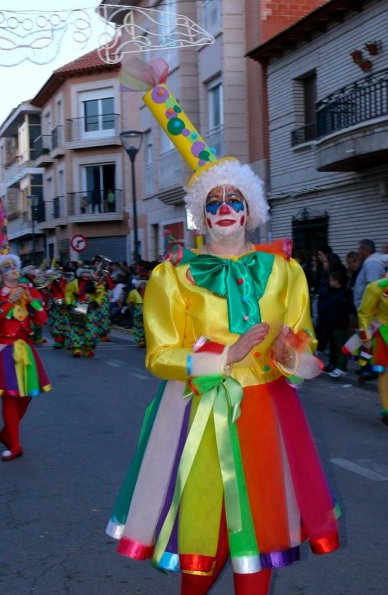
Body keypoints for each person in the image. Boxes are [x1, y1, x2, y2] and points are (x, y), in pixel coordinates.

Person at [106, 160, 340, 595]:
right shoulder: (172, 275)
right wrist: (226, 355)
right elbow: (159, 355)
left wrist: (292, 353)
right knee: (202, 532)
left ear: (250, 211)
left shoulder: (285, 271)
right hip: (196, 413)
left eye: (235, 199)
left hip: (267, 413)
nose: (225, 207)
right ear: (202, 214)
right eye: (214, 201)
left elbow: (303, 337)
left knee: (259, 531)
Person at [0, 254, 51, 461]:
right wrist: (9, 301)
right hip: (3, 349)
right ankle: (15, 446)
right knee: (10, 396)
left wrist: (33, 300)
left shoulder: (29, 291)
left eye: (14, 266)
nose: (12, 270)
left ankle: (7, 433)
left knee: (26, 395)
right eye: (7, 268)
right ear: (0, 274)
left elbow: (42, 320)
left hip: (25, 349)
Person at [357, 274, 388, 425]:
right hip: (384, 335)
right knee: (384, 372)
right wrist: (366, 338)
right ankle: (386, 409)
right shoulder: (377, 287)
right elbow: (364, 313)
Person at [64, 266, 104, 357]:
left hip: (91, 308)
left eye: (87, 273)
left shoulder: (95, 283)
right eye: (84, 273)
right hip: (79, 306)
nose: (86, 275)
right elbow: (68, 294)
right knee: (77, 328)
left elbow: (101, 293)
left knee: (91, 329)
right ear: (80, 274)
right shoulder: (74, 283)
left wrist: (96, 302)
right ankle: (76, 348)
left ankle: (88, 348)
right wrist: (69, 303)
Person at [325, 269, 351, 378]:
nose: (329, 282)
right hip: (333, 323)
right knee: (335, 346)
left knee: (341, 346)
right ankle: (336, 365)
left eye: (331, 280)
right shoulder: (333, 292)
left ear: (337, 281)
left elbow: (343, 310)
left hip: (340, 324)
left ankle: (341, 367)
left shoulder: (344, 293)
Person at [127, 280, 147, 347]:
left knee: (146, 327)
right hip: (137, 312)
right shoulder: (133, 292)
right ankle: (140, 340)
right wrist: (131, 311)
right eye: (142, 284)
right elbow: (130, 302)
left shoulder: (149, 291)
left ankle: (145, 340)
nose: (143, 285)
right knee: (138, 327)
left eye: (144, 284)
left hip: (147, 312)